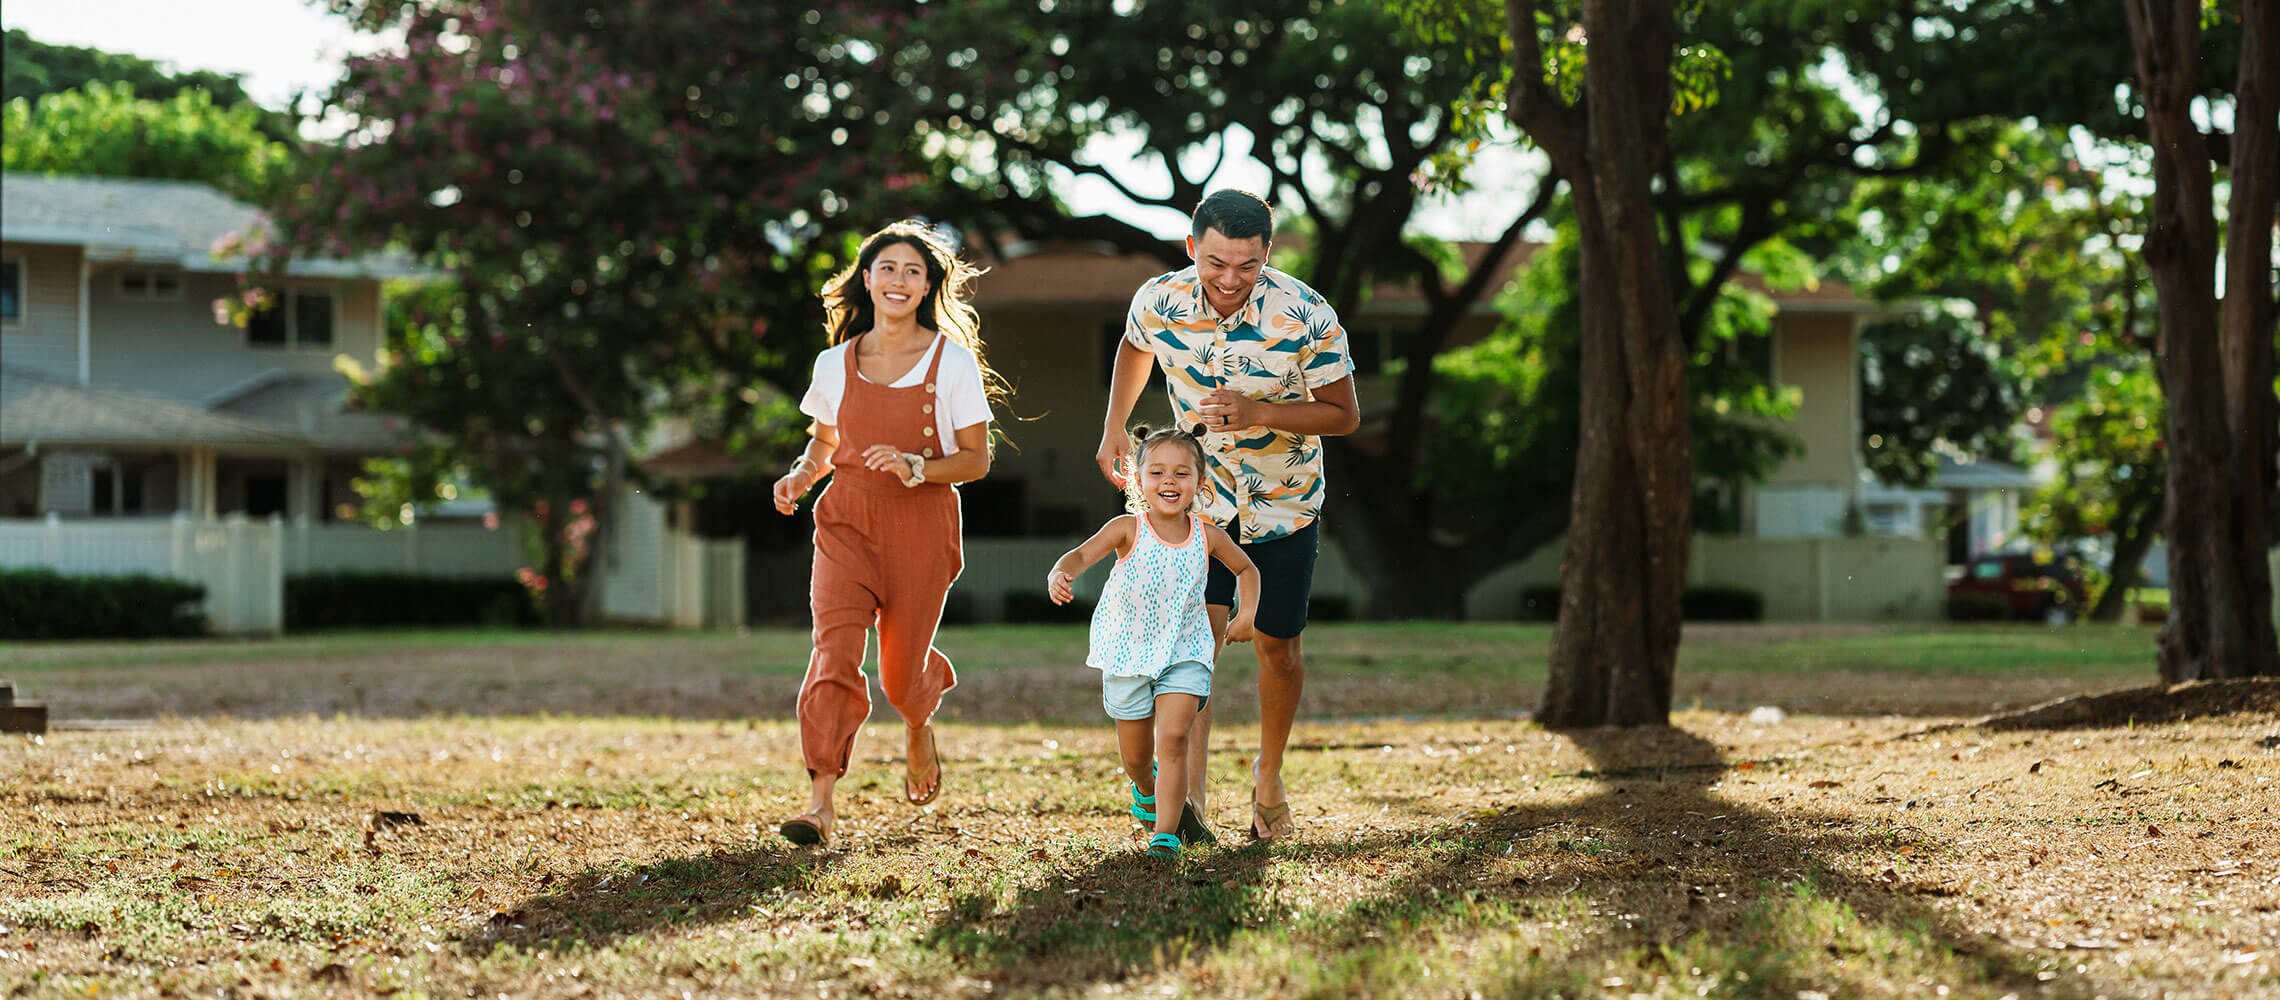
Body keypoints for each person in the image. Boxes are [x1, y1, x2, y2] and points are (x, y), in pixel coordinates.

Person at [1097, 189, 1360, 842]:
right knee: (1194, 653)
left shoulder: (1307, 313)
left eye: (1246, 265)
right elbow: (1135, 348)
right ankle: (1191, 812)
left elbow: (1344, 415)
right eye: (1215, 262)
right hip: (1198, 508)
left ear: (1268, 253)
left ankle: (1268, 776)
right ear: (1193, 249)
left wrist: (1262, 412)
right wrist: (1113, 429)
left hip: (1284, 504)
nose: (1229, 279)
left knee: (1279, 647)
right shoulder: (1158, 299)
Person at [771, 220, 1008, 847]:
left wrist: (918, 468)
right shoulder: (834, 363)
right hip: (845, 519)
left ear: (928, 285)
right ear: (867, 279)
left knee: (898, 679)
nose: (898, 280)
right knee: (834, 652)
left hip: (921, 528)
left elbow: (977, 460)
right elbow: (824, 443)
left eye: (913, 271)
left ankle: (918, 717)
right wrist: (800, 477)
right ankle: (821, 801)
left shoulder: (951, 363)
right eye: (887, 269)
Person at [1049, 425, 1259, 858]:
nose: (1169, 481)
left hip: (1186, 651)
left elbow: (1247, 571)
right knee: (1138, 758)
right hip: (1128, 653)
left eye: (1182, 474)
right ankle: (1145, 787)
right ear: (1137, 480)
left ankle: (1165, 833)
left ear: (1201, 484)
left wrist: (1248, 614)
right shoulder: (1127, 528)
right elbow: (1081, 555)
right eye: (1158, 472)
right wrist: (1060, 572)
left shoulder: (1208, 535)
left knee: (1175, 736)